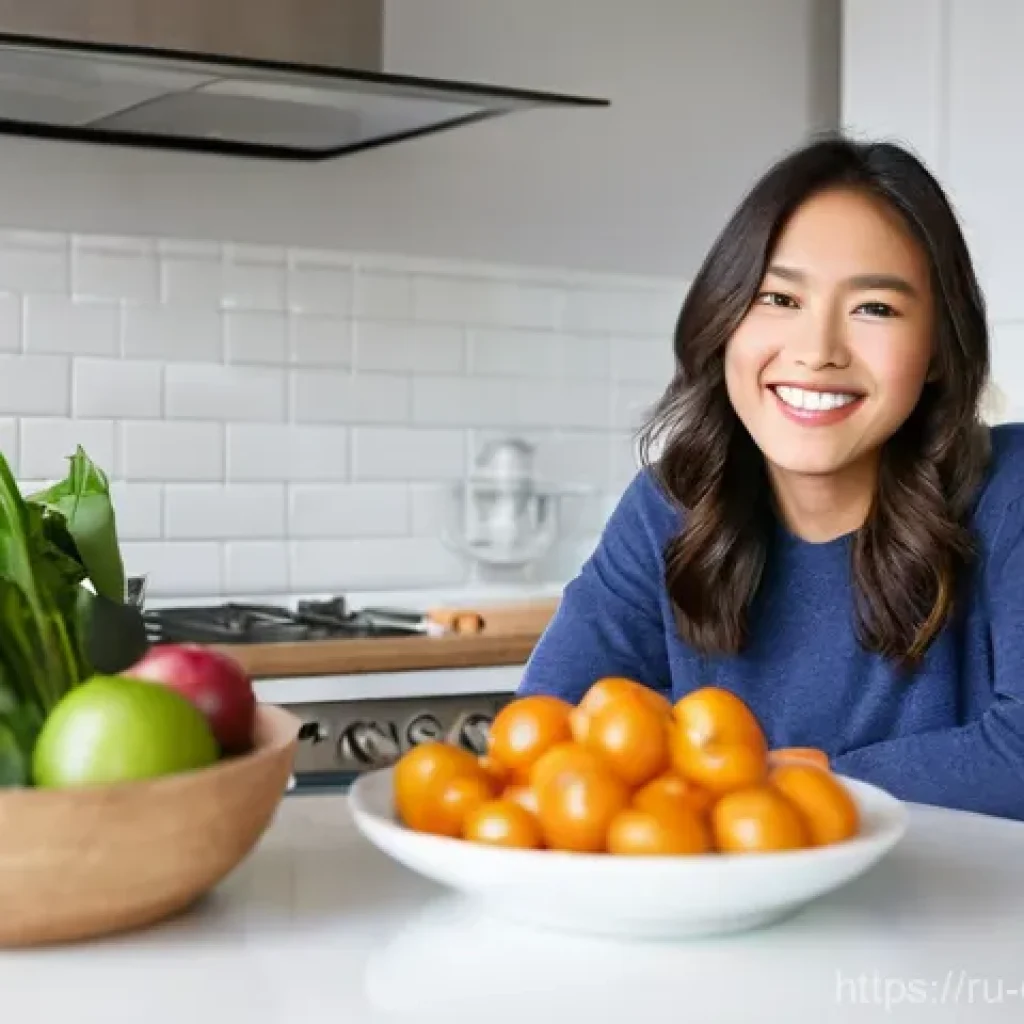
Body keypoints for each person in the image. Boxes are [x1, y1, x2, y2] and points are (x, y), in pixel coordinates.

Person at [517, 135, 1024, 820]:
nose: (817, 352)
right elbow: (548, 743)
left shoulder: (1011, 489)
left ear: (937, 348)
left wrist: (791, 780)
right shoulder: (670, 508)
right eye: (779, 298)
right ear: (724, 318)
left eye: (875, 308)